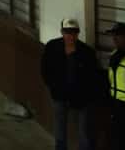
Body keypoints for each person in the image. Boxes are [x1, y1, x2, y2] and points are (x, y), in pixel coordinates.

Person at [40, 18, 101, 150]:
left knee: (84, 131)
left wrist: (87, 94)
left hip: (82, 97)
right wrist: (52, 86)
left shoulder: (87, 52)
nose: (71, 36)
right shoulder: (52, 47)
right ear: (62, 32)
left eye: (74, 32)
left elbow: (93, 76)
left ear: (78, 33)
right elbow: (45, 68)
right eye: (68, 32)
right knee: (59, 127)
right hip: (59, 94)